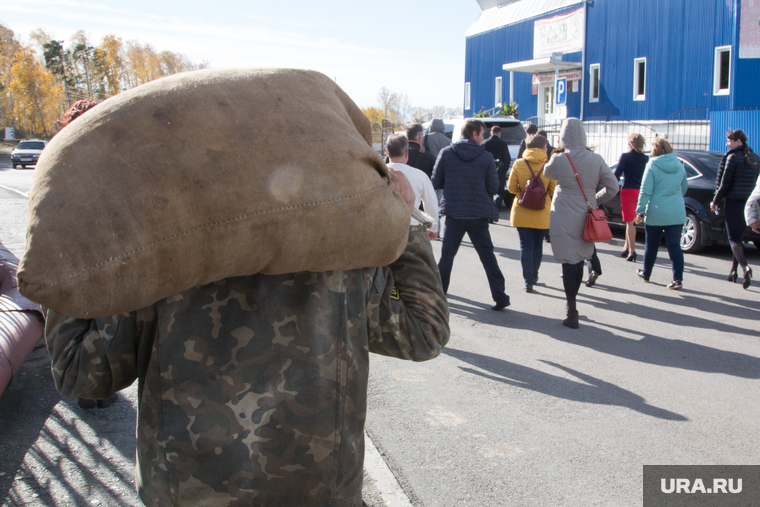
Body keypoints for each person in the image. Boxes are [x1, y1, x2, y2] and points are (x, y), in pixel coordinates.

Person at [44, 168, 450, 506]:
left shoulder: (156, 255)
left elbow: (81, 373)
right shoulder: (342, 253)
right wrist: (406, 221)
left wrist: (77, 242)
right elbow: (423, 333)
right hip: (319, 492)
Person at [55, 98, 120, 410]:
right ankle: (92, 387)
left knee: (84, 318)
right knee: (98, 319)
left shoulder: (61, 159)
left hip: (81, 254)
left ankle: (91, 387)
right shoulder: (106, 157)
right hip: (88, 253)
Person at [544, 118, 618, 329]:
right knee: (578, 261)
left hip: (563, 214)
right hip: (586, 216)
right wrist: (596, 199)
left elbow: (546, 174)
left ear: (563, 136)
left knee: (568, 262)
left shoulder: (559, 159)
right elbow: (613, 187)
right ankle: (573, 306)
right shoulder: (596, 159)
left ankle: (571, 309)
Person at [432, 118, 511, 311]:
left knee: (447, 258)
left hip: (454, 214)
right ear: (474, 134)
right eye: (482, 133)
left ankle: (440, 297)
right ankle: (500, 297)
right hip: (478, 215)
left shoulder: (447, 153)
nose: (483, 137)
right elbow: (493, 186)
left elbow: (435, 181)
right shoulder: (486, 157)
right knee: (487, 257)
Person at [635, 138, 688, 290]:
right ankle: (677, 279)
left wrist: (640, 210)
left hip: (656, 210)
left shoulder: (652, 165)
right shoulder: (679, 165)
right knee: (674, 246)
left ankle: (646, 273)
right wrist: (675, 198)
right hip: (676, 211)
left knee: (652, 245)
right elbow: (684, 187)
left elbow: (646, 190)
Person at [710, 129, 759, 289]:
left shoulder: (732, 157)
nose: (727, 143)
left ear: (738, 141)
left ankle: (745, 268)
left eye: (729, 140)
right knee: (739, 237)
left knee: (734, 239)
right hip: (750, 204)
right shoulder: (755, 157)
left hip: (734, 202)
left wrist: (715, 200)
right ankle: (733, 272)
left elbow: (725, 184)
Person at [507, 134, 555, 292]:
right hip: (542, 212)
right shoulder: (549, 165)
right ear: (543, 147)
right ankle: (534, 275)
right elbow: (552, 190)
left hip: (522, 210)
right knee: (537, 246)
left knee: (525, 246)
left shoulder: (519, 163)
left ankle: (527, 280)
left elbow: (511, 188)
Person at [386, 133, 439, 240]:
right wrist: (433, 228)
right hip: (412, 231)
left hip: (384, 230)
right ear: (406, 152)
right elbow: (432, 206)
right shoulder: (420, 175)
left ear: (387, 152)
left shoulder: (376, 173)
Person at [614, 133, 649, 262]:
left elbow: (617, 174)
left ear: (630, 144)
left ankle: (632, 251)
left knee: (630, 222)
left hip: (628, 190)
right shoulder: (645, 158)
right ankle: (626, 246)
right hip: (640, 191)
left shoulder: (625, 157)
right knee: (633, 220)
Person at [482, 125, 512, 213]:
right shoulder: (503, 144)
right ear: (500, 133)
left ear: (491, 132)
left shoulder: (484, 143)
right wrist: (504, 169)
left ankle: (489, 209)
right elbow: (507, 158)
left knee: (489, 191)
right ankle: (497, 208)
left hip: (487, 172)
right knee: (500, 192)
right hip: (500, 170)